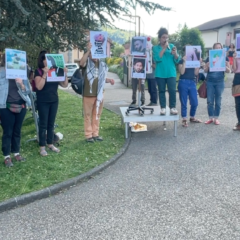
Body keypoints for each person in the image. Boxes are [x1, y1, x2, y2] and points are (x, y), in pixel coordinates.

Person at [34, 50, 69, 156]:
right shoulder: (38, 71)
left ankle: (50, 143)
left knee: (51, 123)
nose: (48, 60)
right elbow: (39, 87)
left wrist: (65, 74)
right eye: (46, 58)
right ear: (42, 60)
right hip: (43, 101)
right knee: (43, 124)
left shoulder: (56, 70)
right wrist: (45, 73)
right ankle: (42, 147)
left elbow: (64, 85)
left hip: (54, 100)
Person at [80, 43, 114, 143]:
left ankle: (95, 134)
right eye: (93, 54)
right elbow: (81, 63)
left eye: (96, 53)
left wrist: (109, 80)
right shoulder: (87, 63)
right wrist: (88, 50)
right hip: (88, 94)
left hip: (99, 94)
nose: (95, 56)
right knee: (87, 115)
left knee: (97, 115)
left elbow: (101, 78)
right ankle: (88, 135)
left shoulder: (101, 64)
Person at [0, 54, 30, 167]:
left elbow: (27, 91)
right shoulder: (1, 72)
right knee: (8, 132)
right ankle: (7, 156)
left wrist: (21, 84)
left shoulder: (21, 73)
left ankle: (16, 153)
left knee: (17, 131)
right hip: (5, 106)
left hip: (21, 106)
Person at [153, 27, 180, 115]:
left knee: (172, 90)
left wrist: (175, 53)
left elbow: (177, 60)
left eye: (166, 37)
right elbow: (157, 58)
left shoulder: (172, 46)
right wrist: (164, 48)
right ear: (160, 38)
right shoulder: (155, 48)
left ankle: (172, 107)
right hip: (160, 73)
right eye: (163, 37)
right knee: (161, 91)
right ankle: (163, 108)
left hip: (171, 73)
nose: (165, 39)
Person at [204, 42, 230, 125]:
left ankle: (216, 118)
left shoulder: (225, 58)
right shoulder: (208, 58)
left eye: (220, 47)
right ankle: (211, 118)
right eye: (216, 47)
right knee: (210, 101)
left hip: (220, 81)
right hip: (210, 81)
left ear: (221, 49)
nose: (218, 49)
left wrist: (226, 66)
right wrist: (207, 66)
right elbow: (205, 71)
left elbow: (229, 71)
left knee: (218, 101)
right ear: (213, 49)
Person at [177, 48, 202, 127]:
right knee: (184, 102)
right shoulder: (181, 61)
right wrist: (184, 61)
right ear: (185, 52)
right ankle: (184, 119)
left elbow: (195, 73)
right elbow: (182, 72)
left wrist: (198, 64)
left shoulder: (194, 60)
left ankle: (192, 117)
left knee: (195, 102)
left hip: (192, 82)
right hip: (183, 81)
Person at [232, 52, 240, 130]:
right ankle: (239, 123)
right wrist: (234, 58)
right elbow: (234, 69)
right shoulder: (237, 54)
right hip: (238, 77)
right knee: (238, 103)